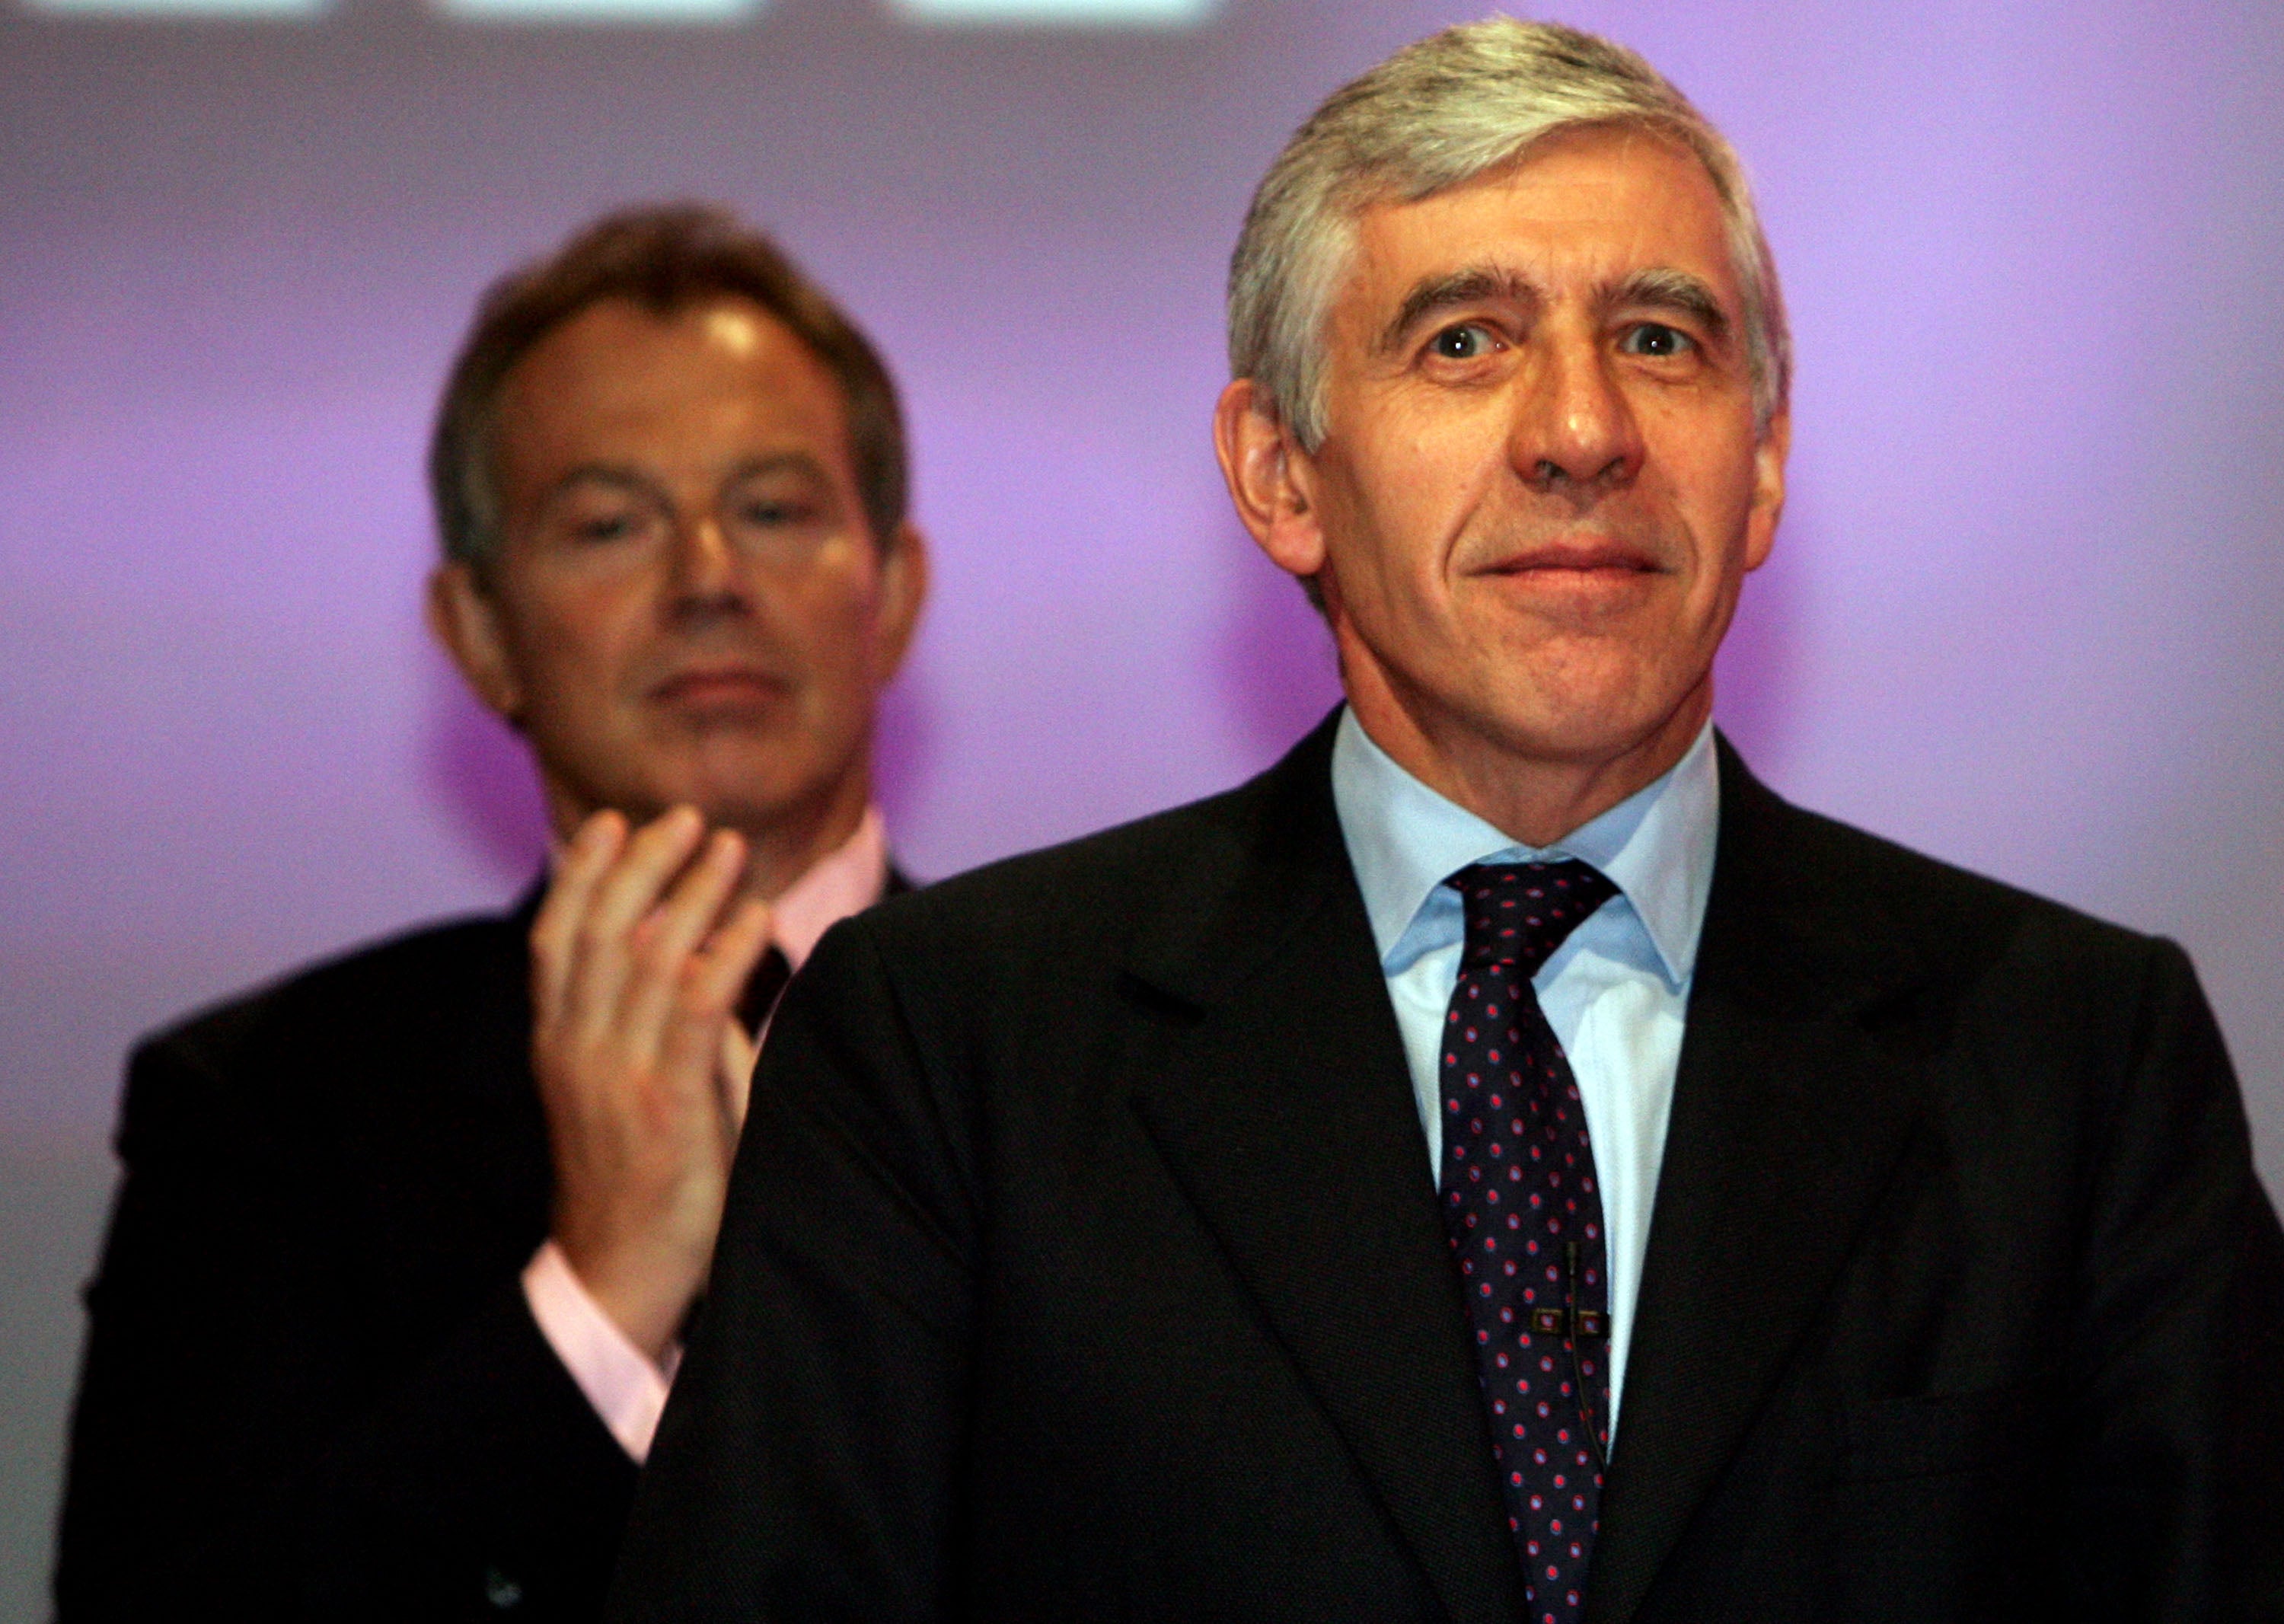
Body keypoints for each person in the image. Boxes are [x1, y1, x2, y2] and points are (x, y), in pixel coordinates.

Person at [607, 21, 2284, 1624]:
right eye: (1464, 340)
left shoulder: (2076, 1060)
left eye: (1660, 338)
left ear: (1761, 464)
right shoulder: (946, 1043)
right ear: (1281, 474)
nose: (1580, 434)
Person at [54, 204, 929, 1622]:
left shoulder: (1085, 1054)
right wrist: (598, 1293)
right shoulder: (264, 1112)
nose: (708, 578)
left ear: (893, 593)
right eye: (608, 523)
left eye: (773, 508)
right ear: (477, 631)